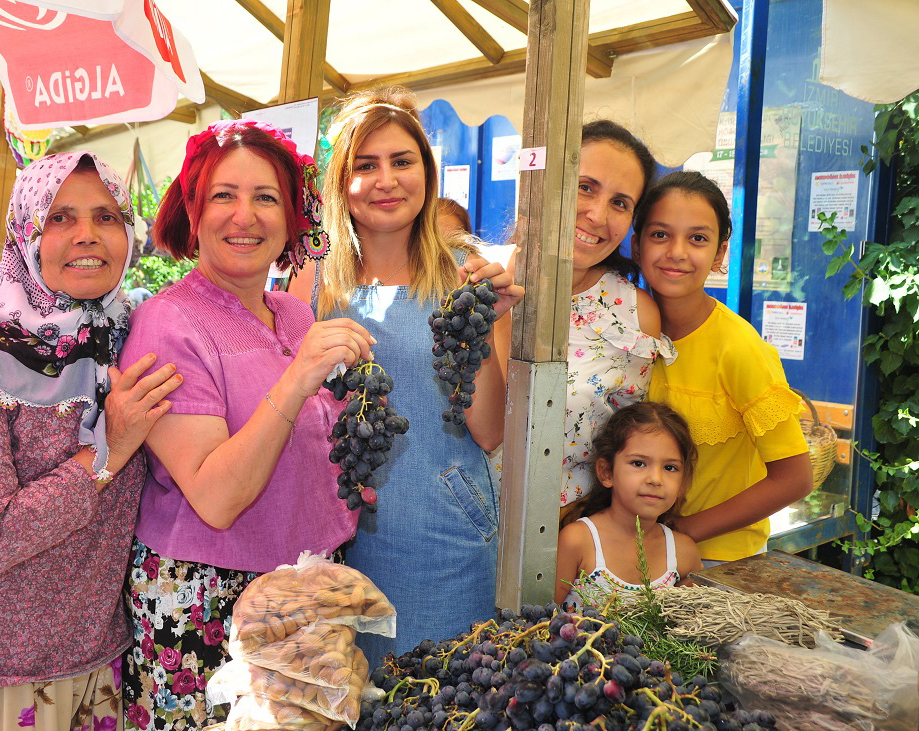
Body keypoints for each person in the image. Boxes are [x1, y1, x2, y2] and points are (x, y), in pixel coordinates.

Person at [0, 152, 182, 731]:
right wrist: (109, 445)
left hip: (93, 644)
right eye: (59, 218)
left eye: (106, 216)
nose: (87, 235)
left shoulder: (135, 329)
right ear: (26, 231)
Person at [118, 119, 370, 730]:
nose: (245, 216)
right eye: (224, 196)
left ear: (291, 219)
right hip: (208, 605)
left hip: (302, 592)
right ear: (194, 213)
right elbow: (216, 497)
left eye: (266, 198)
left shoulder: (291, 312)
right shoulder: (166, 324)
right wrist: (297, 379)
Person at [288, 87, 524, 666]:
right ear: (341, 182)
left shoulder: (467, 273)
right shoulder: (309, 281)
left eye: (402, 161)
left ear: (428, 171)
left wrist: (480, 339)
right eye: (365, 166)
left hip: (445, 534)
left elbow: (491, 431)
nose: (386, 179)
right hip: (335, 535)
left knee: (437, 695)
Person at [633, 170, 813, 564]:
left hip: (720, 562)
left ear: (719, 254)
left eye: (697, 238)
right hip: (633, 550)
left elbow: (795, 478)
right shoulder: (622, 329)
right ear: (636, 244)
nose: (677, 252)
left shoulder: (740, 349)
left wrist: (682, 532)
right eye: (660, 234)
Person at [560, 120, 673, 514]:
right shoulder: (480, 277)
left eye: (620, 203)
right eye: (585, 187)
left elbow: (628, 446)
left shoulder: (634, 314)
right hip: (450, 533)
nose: (596, 214)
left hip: (565, 535)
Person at [555, 402, 702, 610]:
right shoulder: (578, 541)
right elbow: (542, 621)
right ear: (606, 472)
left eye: (670, 467)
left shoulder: (684, 553)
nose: (655, 479)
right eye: (639, 463)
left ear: (683, 482)